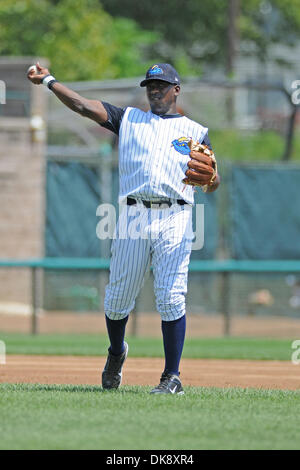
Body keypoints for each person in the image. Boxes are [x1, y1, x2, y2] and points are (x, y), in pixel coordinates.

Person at [27, 62, 220, 395]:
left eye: (161, 84)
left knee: (172, 298)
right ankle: (116, 353)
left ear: (176, 90)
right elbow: (83, 106)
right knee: (117, 300)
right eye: (150, 85)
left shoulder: (196, 131)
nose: (154, 90)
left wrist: (213, 180)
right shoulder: (129, 119)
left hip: (176, 216)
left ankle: (171, 377)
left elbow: (212, 180)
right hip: (133, 216)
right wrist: (48, 81)